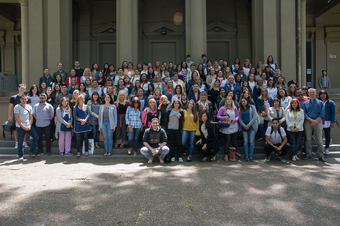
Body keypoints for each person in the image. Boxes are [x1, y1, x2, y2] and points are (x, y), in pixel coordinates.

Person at [301, 88, 326, 162]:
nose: (311, 94)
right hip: (308, 121)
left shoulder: (320, 103)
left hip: (318, 121)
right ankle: (308, 154)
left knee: (319, 140)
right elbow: (304, 114)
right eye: (310, 92)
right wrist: (312, 120)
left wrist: (315, 121)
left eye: (313, 92)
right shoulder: (305, 103)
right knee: (308, 139)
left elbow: (322, 114)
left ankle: (321, 156)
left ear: (315, 93)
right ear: (308, 94)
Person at [14, 95, 39, 160]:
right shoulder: (17, 107)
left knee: (36, 137)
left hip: (28, 126)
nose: (24, 100)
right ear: (20, 99)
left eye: (25, 99)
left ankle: (31, 151)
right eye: (23, 99)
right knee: (20, 141)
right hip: (20, 127)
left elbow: (31, 118)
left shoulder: (29, 107)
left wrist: (29, 126)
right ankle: (20, 155)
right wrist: (23, 126)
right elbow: (16, 118)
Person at [8, 84, 31, 148]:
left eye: (23, 88)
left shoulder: (27, 98)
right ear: (18, 88)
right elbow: (10, 107)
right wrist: (9, 115)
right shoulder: (13, 97)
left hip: (25, 117)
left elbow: (29, 108)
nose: (22, 89)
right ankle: (17, 142)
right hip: (16, 116)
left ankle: (24, 142)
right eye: (21, 88)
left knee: (25, 129)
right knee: (15, 129)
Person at [217, 96, 239, 161]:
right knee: (227, 142)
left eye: (230, 99)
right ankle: (226, 155)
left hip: (234, 126)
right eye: (227, 99)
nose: (229, 101)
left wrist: (234, 120)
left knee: (234, 141)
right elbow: (218, 116)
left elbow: (237, 116)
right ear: (225, 101)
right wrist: (223, 118)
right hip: (226, 127)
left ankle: (234, 153)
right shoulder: (222, 108)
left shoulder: (235, 108)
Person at [239, 97, 258, 162]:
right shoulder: (240, 109)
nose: (243, 102)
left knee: (251, 141)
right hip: (244, 127)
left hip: (252, 126)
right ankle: (246, 155)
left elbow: (255, 117)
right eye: (242, 101)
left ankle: (251, 155)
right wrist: (244, 126)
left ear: (247, 101)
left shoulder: (252, 107)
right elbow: (240, 119)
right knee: (245, 141)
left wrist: (248, 125)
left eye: (244, 101)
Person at [318, 90, 336, 155]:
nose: (322, 95)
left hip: (327, 120)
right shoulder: (318, 102)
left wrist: (332, 122)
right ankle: (320, 149)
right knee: (319, 135)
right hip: (319, 120)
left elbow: (333, 112)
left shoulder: (331, 103)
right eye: (321, 94)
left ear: (326, 95)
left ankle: (327, 148)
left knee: (327, 134)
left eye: (324, 94)